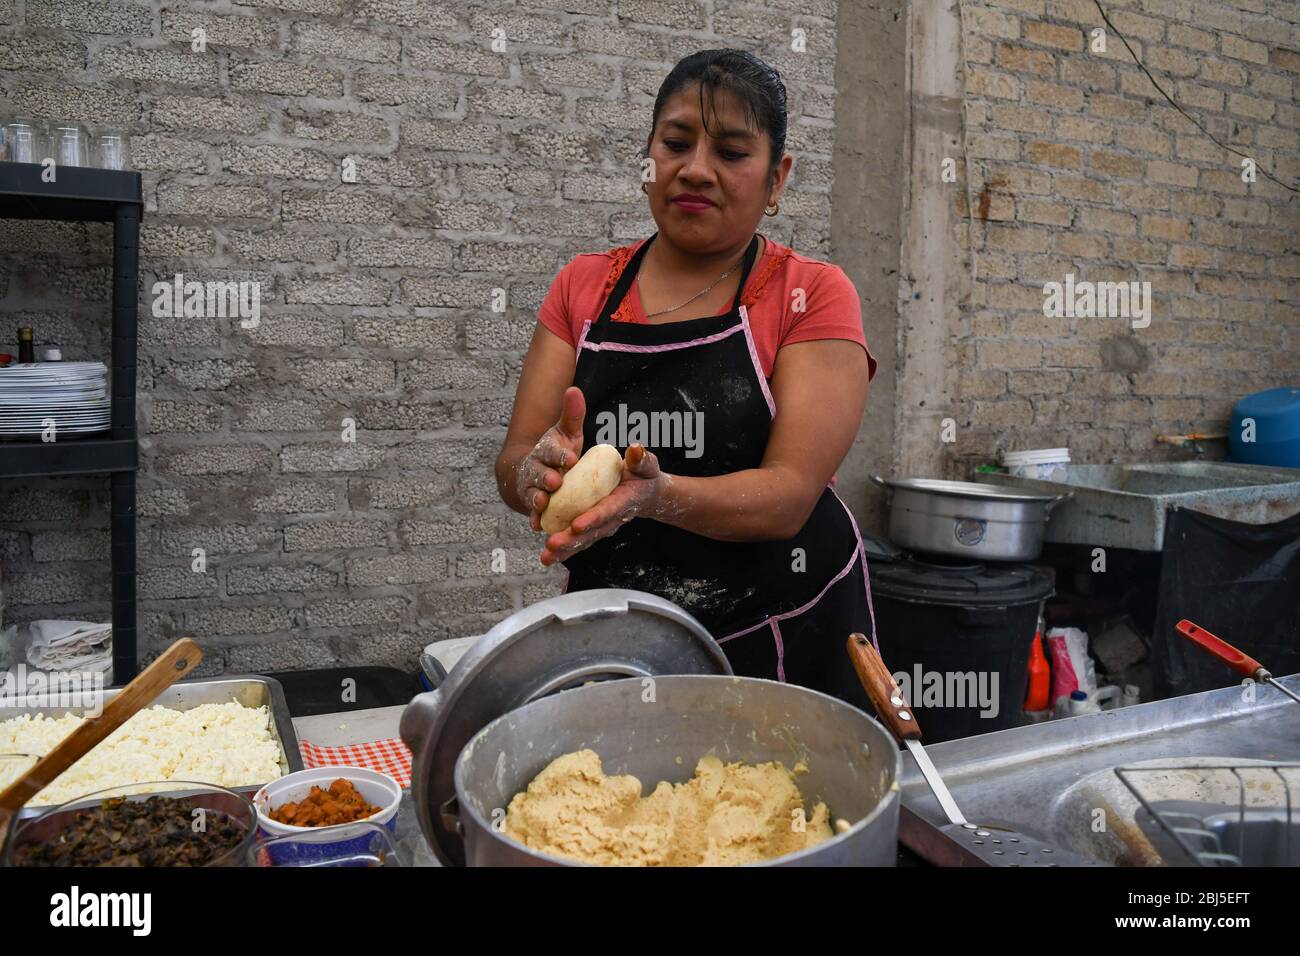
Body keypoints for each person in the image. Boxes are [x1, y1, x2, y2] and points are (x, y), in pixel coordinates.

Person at [495, 49, 879, 708]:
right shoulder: (583, 288)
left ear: (777, 179)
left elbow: (788, 496)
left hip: (782, 639)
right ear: (648, 157)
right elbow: (513, 463)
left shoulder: (810, 294)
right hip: (623, 645)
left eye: (732, 153)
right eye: (675, 143)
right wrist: (535, 473)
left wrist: (658, 495)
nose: (696, 169)